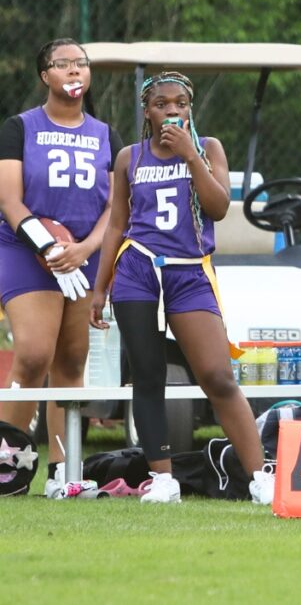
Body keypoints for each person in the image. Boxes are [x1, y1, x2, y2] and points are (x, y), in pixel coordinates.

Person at [89, 71, 274, 505]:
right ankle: (164, 479)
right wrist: (100, 289)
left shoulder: (208, 148)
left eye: (180, 103)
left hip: (189, 272)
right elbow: (117, 222)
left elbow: (219, 207)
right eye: (161, 104)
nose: (172, 110)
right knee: (148, 377)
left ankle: (259, 475)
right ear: (147, 111)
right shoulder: (129, 157)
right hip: (137, 271)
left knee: (217, 375)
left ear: (190, 108)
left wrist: (191, 156)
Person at [0, 38, 121, 498]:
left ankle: (63, 474)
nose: (74, 71)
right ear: (44, 75)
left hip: (82, 255)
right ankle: (8, 463)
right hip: (25, 249)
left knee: (71, 362)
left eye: (81, 64)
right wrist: (50, 247)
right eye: (63, 64)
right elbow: (9, 199)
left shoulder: (105, 133)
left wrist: (87, 249)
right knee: (32, 355)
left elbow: (115, 206)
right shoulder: (19, 127)